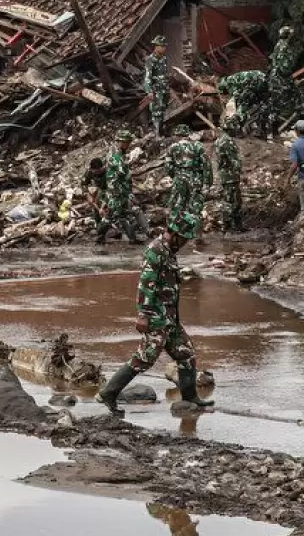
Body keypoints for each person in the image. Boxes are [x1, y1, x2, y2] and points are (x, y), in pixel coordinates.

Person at [95, 212, 213, 417]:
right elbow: (146, 284)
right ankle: (108, 393)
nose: (185, 242)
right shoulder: (156, 251)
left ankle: (190, 397)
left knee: (186, 352)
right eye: (184, 238)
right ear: (175, 234)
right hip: (156, 317)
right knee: (145, 358)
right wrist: (144, 314)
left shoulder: (169, 251)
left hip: (170, 318)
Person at [165, 125, 211, 231]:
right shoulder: (198, 146)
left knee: (177, 206)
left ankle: (174, 234)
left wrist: (176, 176)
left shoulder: (172, 148)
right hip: (196, 180)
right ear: (188, 134)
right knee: (195, 208)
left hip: (180, 179)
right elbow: (206, 166)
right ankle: (197, 236)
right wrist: (207, 183)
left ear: (177, 135)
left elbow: (168, 167)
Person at [100, 131, 144, 245]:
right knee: (111, 216)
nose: (128, 145)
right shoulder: (116, 155)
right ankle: (99, 237)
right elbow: (122, 174)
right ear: (121, 142)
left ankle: (132, 239)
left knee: (123, 215)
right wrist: (129, 192)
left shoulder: (119, 154)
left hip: (120, 190)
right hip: (116, 191)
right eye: (127, 142)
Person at [266, 26, 303, 132]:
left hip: (275, 77)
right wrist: (288, 79)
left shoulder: (278, 44)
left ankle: (274, 127)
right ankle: (276, 127)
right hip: (280, 78)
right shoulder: (284, 46)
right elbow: (284, 67)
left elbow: (273, 60)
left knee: (277, 102)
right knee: (281, 102)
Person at [218, 70, 270, 136]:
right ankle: (260, 130)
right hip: (262, 80)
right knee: (260, 106)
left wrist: (237, 112)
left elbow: (238, 98)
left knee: (242, 108)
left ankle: (233, 127)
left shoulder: (230, 83)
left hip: (256, 82)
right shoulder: (233, 78)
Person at [213, 129, 244, 232]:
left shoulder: (219, 141)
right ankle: (231, 226)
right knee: (233, 201)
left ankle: (228, 225)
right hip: (231, 176)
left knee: (228, 200)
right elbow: (233, 159)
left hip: (225, 175)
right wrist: (239, 171)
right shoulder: (227, 141)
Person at [143, 36, 171, 137]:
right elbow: (147, 77)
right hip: (156, 91)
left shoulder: (164, 59)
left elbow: (164, 74)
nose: (164, 48)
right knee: (156, 113)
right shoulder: (150, 60)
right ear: (156, 47)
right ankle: (156, 135)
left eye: (164, 46)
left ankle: (162, 132)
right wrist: (149, 91)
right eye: (162, 46)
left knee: (163, 111)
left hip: (164, 90)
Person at [82, 158, 108, 234]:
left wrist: (104, 206)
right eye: (94, 171)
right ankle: (100, 231)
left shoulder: (108, 172)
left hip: (109, 191)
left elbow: (112, 189)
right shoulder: (89, 172)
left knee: (108, 212)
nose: (96, 173)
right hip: (97, 192)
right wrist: (87, 195)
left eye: (98, 171)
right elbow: (83, 185)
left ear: (102, 167)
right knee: (97, 211)